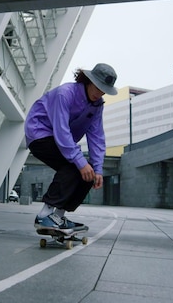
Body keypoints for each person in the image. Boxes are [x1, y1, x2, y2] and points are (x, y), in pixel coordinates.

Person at [24, 63, 118, 234]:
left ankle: (58, 217)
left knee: (87, 174)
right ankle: (44, 215)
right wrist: (79, 161)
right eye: (98, 87)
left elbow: (97, 136)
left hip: (60, 140)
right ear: (88, 81)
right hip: (39, 133)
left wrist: (97, 169)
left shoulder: (97, 105)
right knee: (75, 165)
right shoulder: (65, 94)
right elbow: (61, 130)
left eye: (104, 90)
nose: (99, 93)